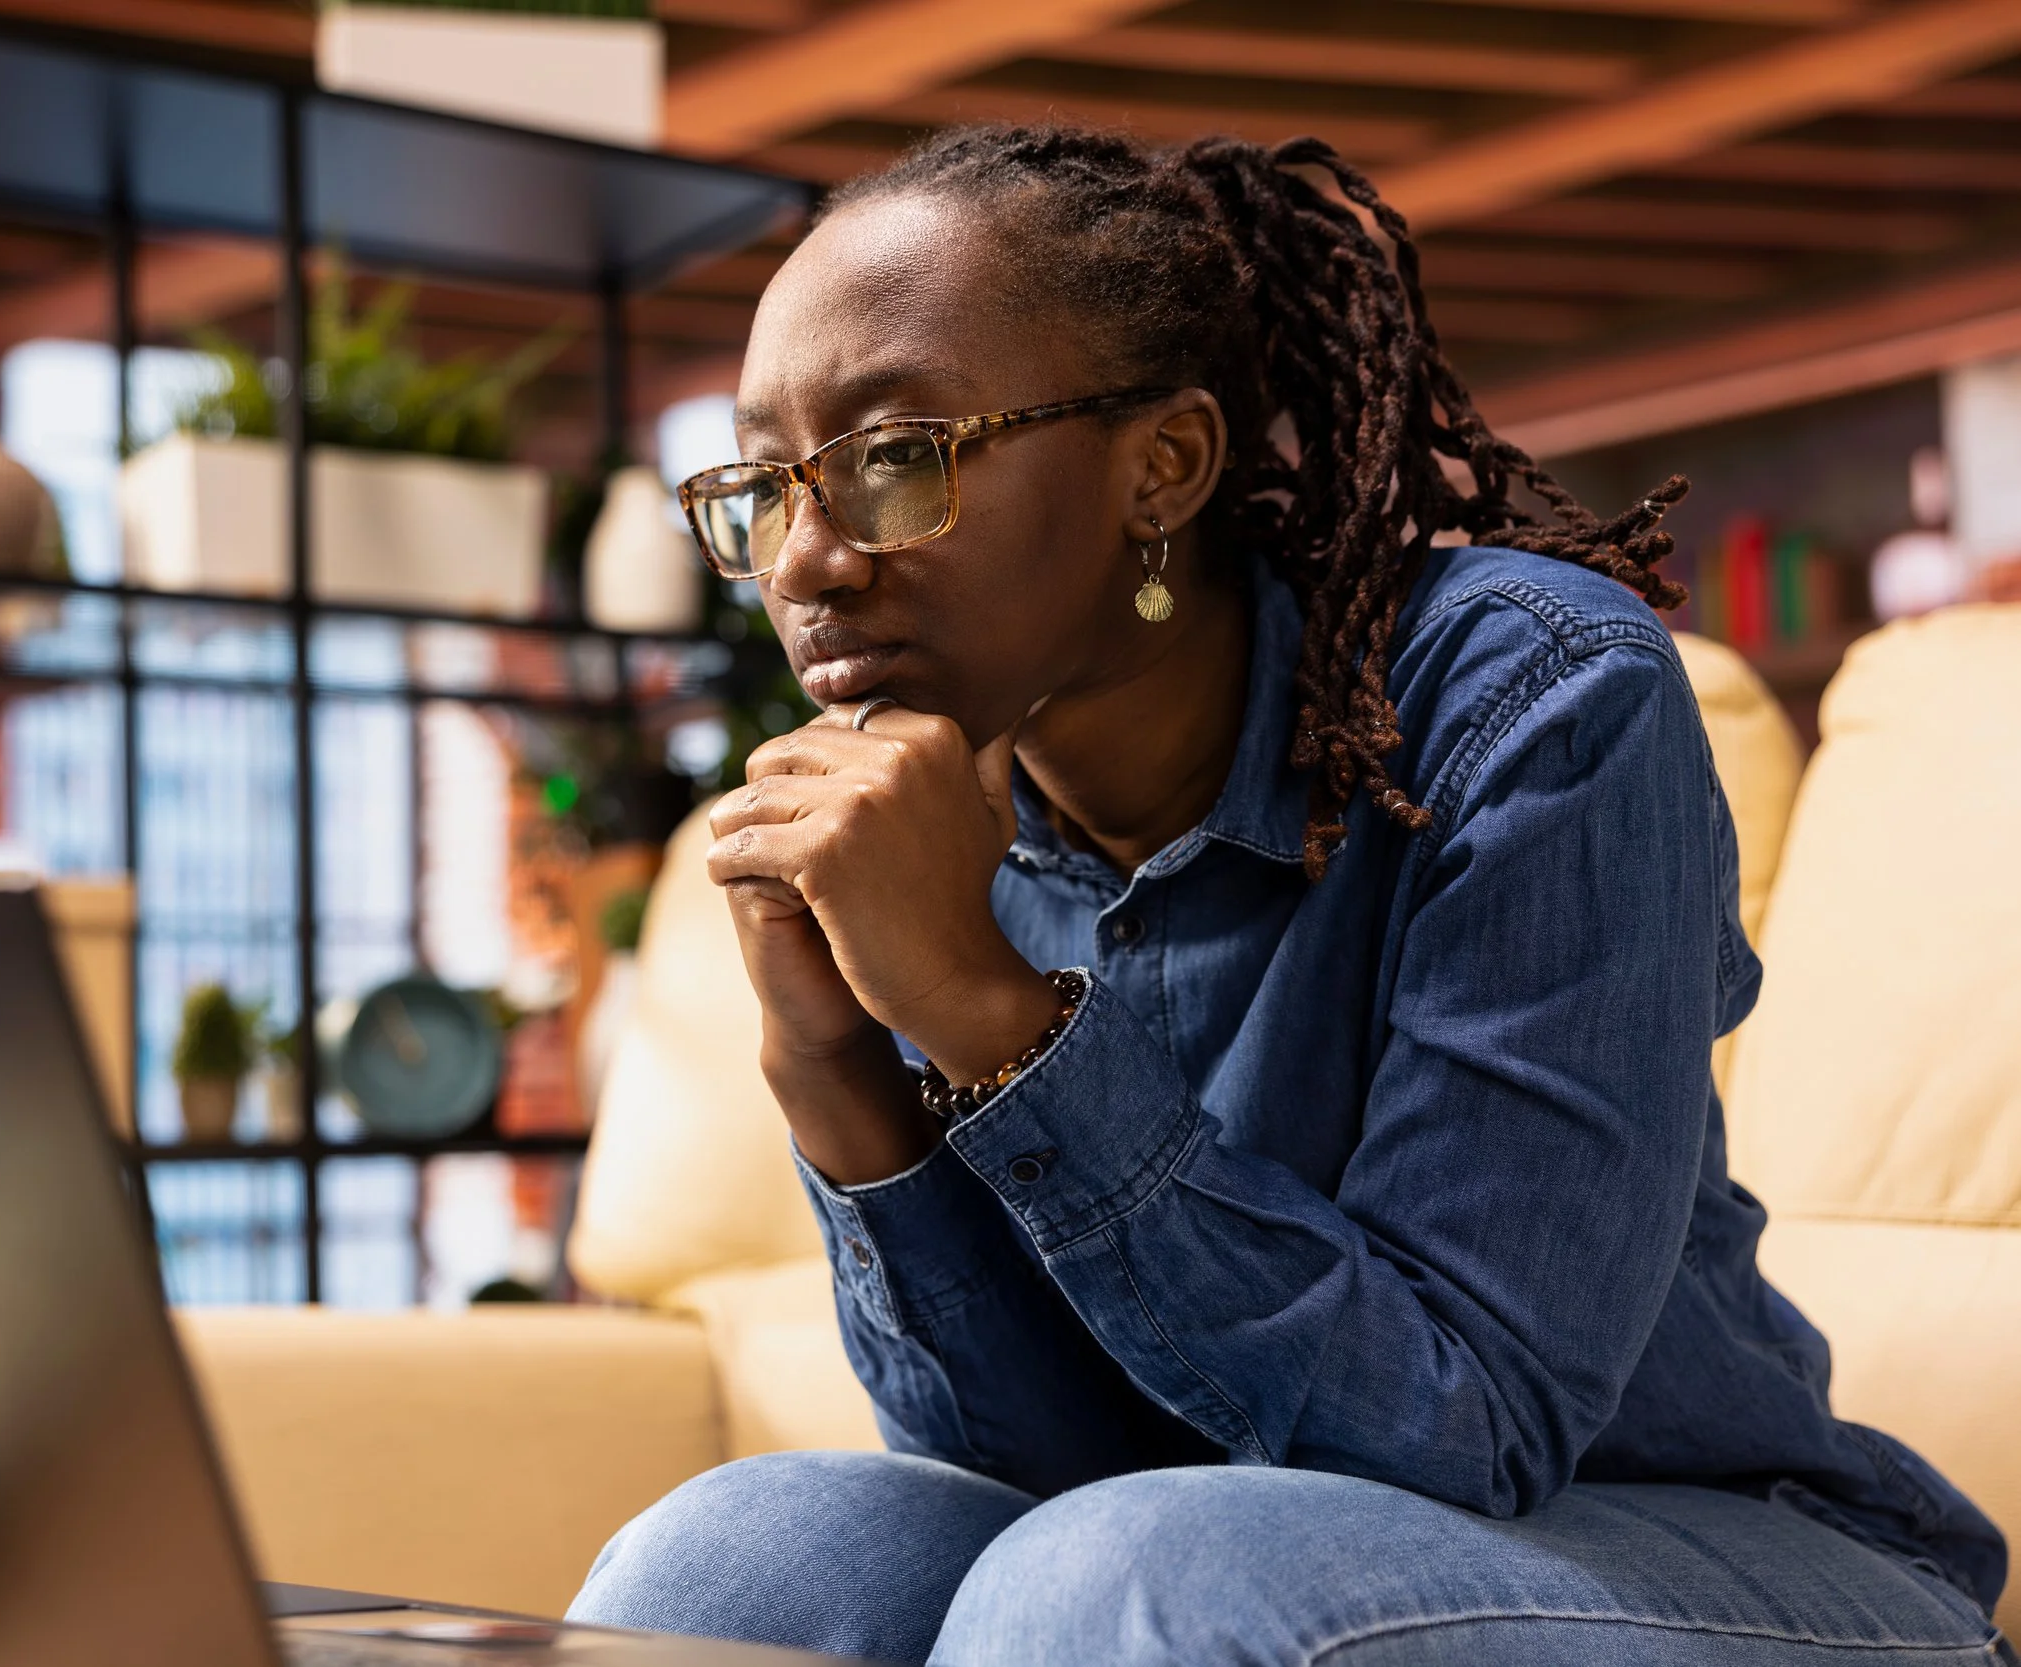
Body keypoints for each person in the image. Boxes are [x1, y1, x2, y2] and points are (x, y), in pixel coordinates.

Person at [564, 127, 2012, 1666]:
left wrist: (987, 1012)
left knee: (1121, 1576)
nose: (807, 558)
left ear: (1163, 464)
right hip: (1208, 1558)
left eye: (893, 458)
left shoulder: (1531, 693)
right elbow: (1008, 1453)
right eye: (760, 485)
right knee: (733, 1560)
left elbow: (1474, 1423)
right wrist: (836, 1066)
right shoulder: (950, 821)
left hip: (1730, 1559)